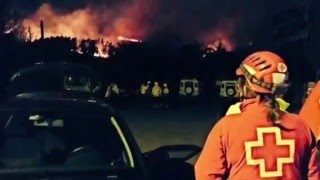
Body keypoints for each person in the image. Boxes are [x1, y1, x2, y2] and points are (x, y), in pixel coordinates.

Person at [195, 51, 319, 180]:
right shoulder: (301, 126)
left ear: (244, 84)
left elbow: (206, 175)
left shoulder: (226, 127)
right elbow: (313, 175)